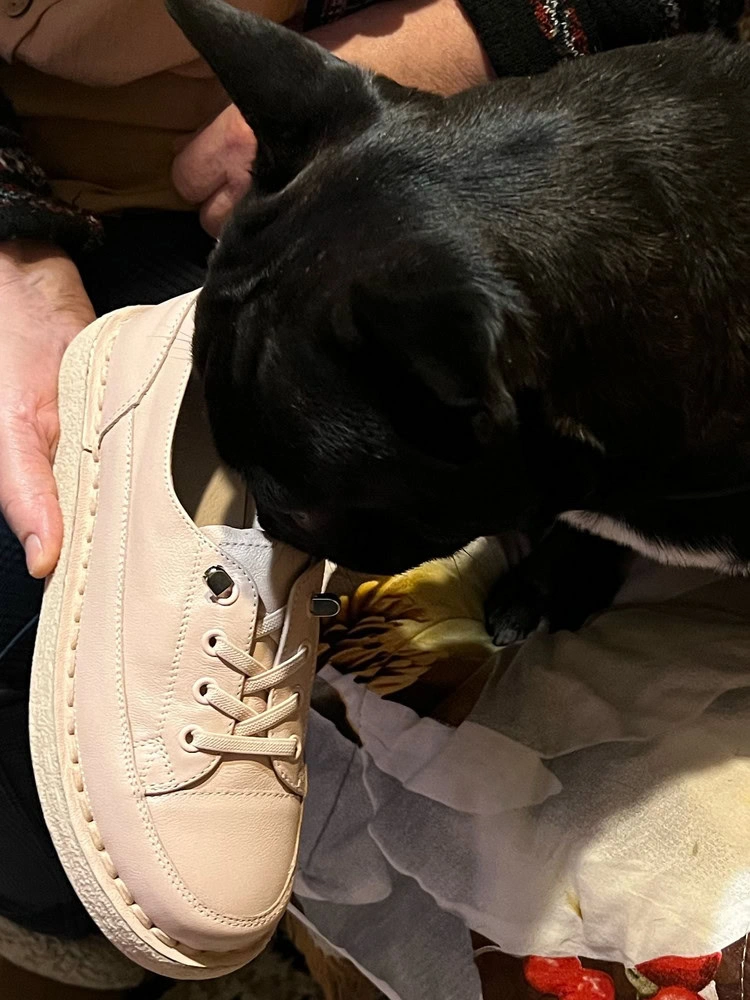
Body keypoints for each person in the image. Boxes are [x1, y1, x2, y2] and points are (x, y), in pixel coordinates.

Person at [0, 0, 743, 971]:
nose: (292, 536)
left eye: (294, 516)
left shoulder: (477, 359)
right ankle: (171, 390)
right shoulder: (481, 353)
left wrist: (494, 29)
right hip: (298, 185)